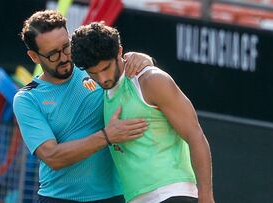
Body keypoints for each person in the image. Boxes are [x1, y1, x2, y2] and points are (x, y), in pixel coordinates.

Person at [13, 10, 155, 203]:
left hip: (116, 195)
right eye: (53, 54)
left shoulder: (93, 67)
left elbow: (123, 63)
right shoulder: (27, 99)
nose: (64, 58)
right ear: (34, 57)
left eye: (66, 47)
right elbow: (52, 157)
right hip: (59, 198)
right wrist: (107, 136)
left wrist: (143, 60)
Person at [71, 22, 215, 203]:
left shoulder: (150, 79)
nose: (103, 78)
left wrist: (206, 197)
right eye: (94, 73)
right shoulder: (102, 92)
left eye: (106, 68)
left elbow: (195, 135)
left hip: (171, 193)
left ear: (119, 52)